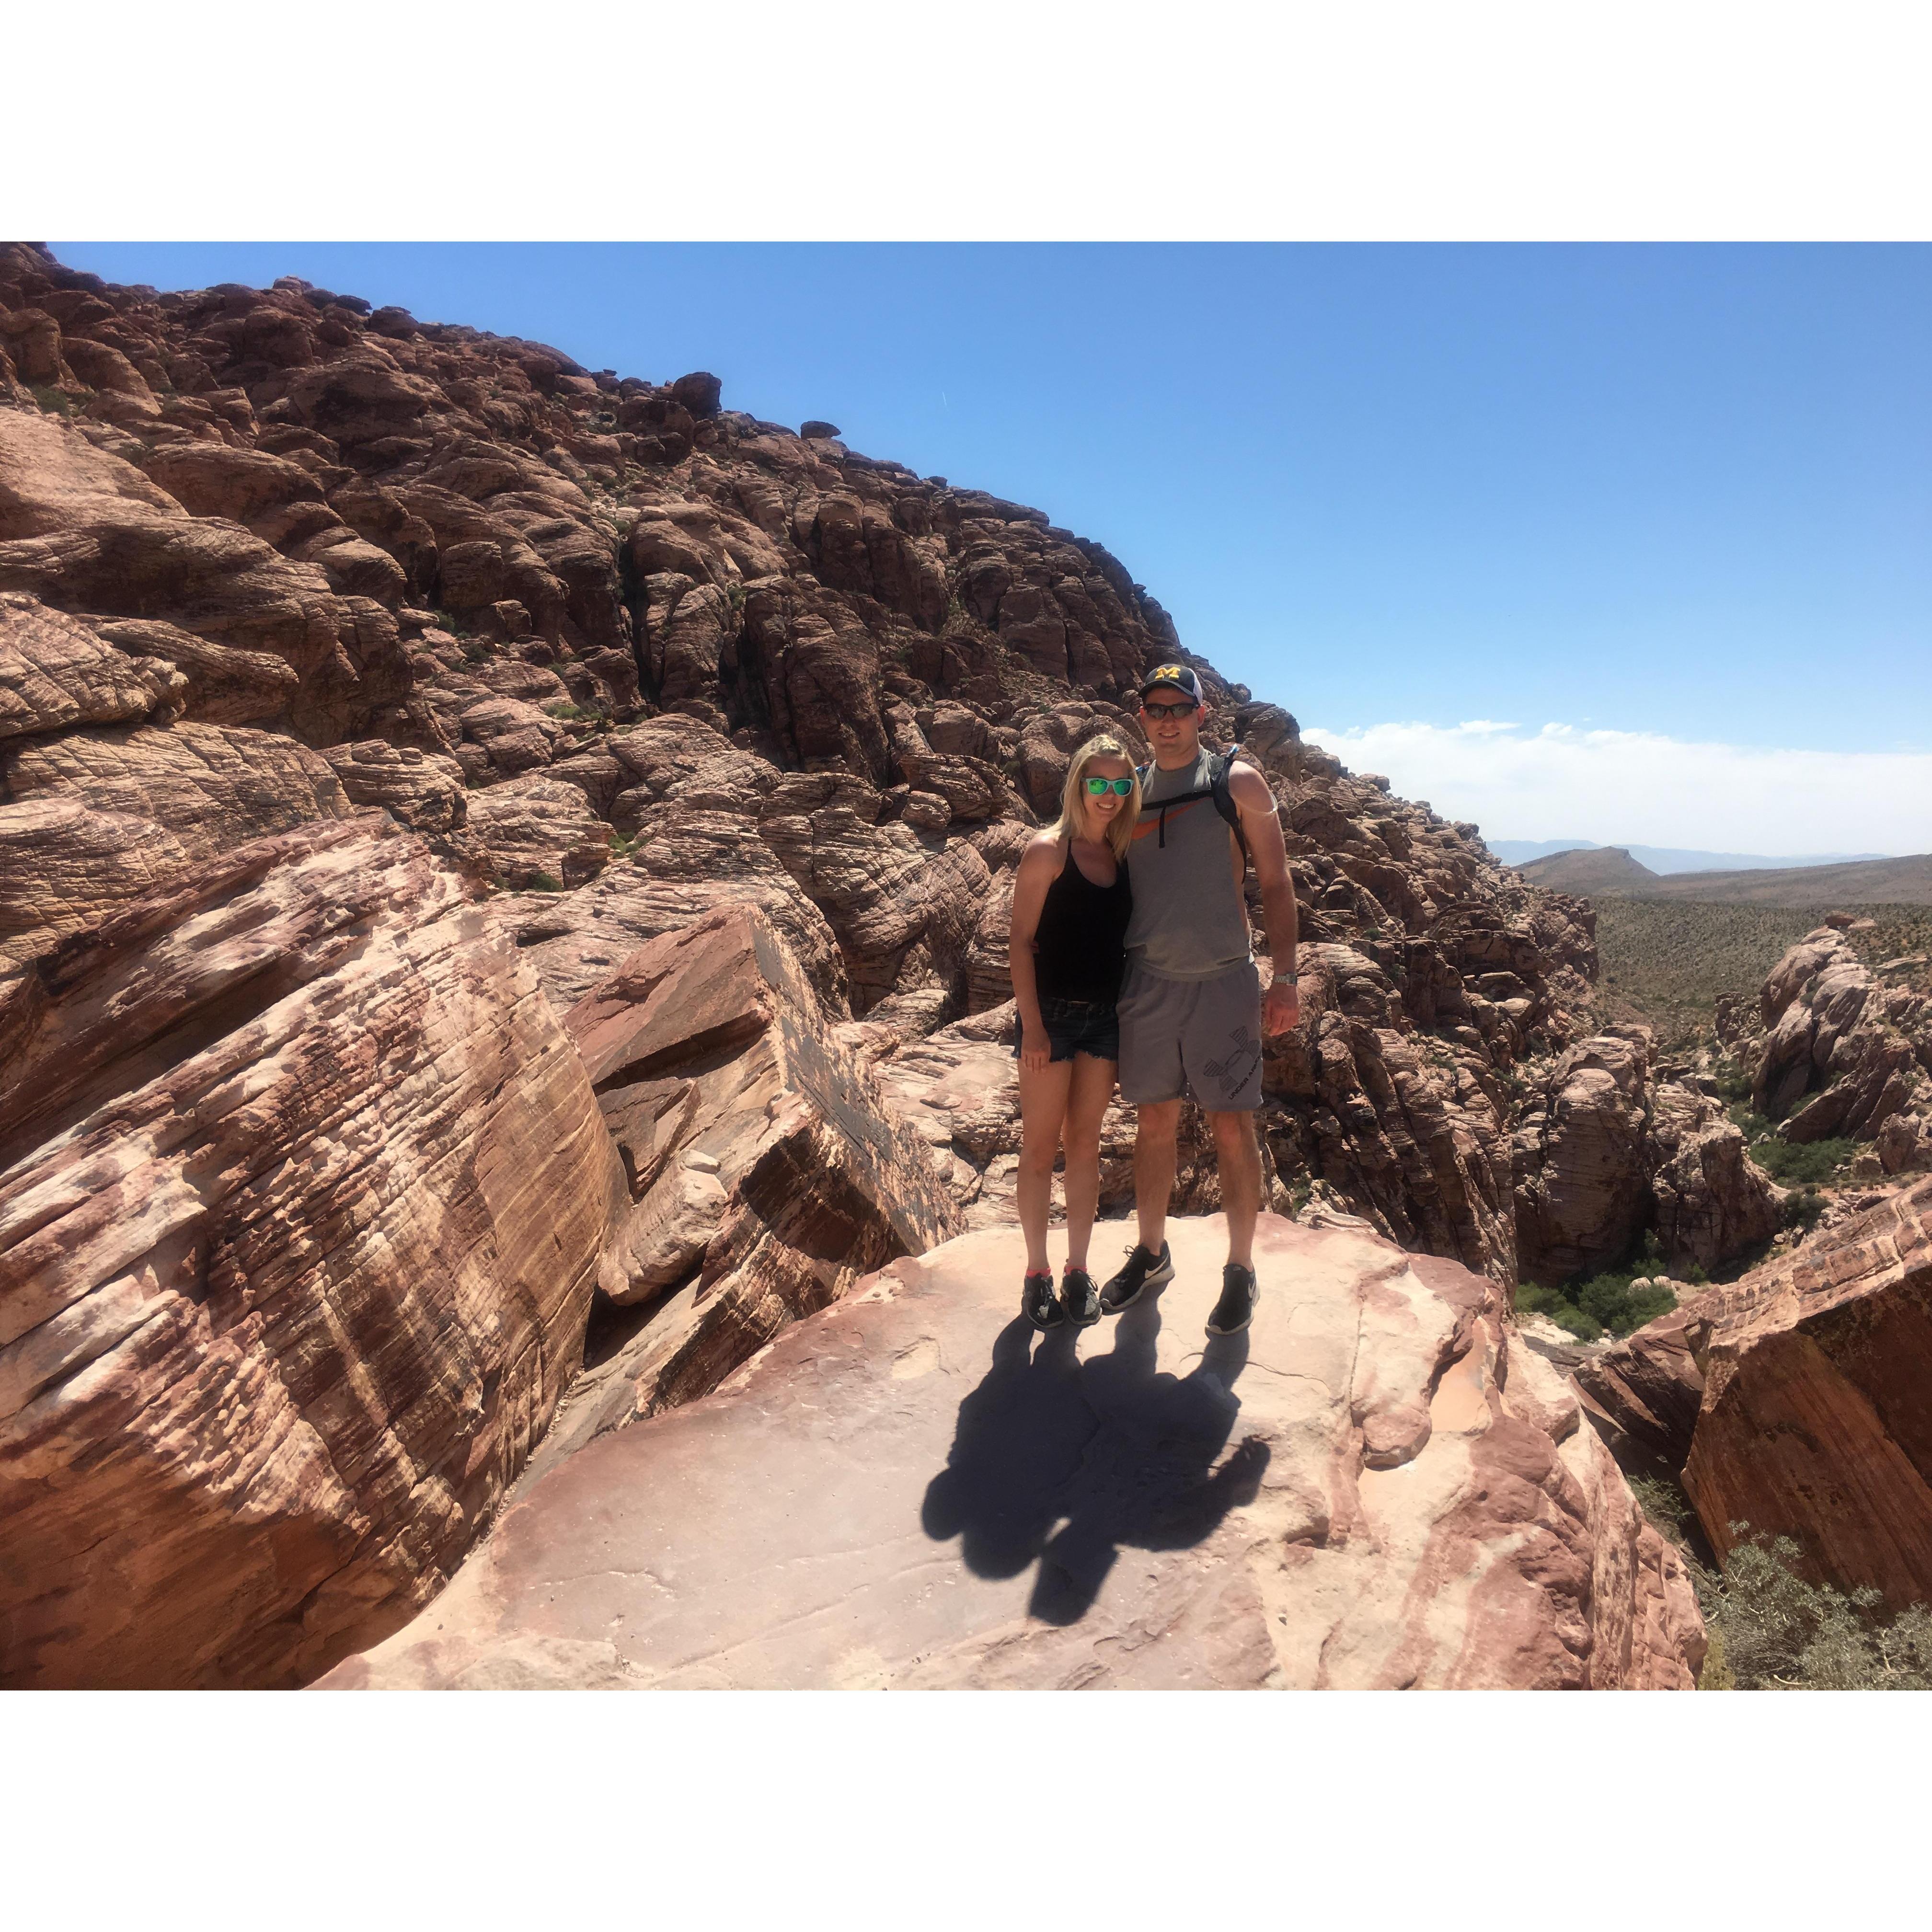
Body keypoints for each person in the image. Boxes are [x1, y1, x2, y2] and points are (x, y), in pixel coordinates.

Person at [1099, 664, 1301, 1336]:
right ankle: (1152, 1254)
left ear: (1201, 713)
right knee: (1153, 1124)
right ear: (1141, 715)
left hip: (1223, 985)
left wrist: (1287, 978)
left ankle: (1241, 1271)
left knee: (1231, 1129)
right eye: (1154, 709)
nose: (1167, 720)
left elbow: (1275, 883)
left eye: (1178, 708)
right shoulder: (1127, 791)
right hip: (1148, 986)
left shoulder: (1235, 783)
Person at [1006, 734, 1139, 1332]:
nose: (1108, 796)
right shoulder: (1047, 852)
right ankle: (1036, 1272)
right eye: (1099, 783)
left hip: (1106, 1021)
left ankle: (1077, 1270)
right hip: (1052, 1019)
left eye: (1121, 785)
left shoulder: (1121, 856)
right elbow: (1018, 941)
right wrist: (1032, 1026)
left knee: (1084, 1146)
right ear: (1078, 783)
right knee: (1039, 1150)